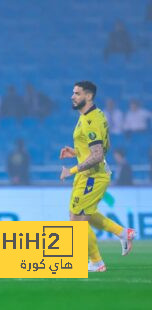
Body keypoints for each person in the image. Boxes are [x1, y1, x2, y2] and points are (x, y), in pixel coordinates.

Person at [59, 81, 135, 272]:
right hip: (89, 175)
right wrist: (76, 152)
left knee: (77, 222)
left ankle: (96, 262)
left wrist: (72, 170)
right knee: (81, 215)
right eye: (73, 93)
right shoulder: (93, 114)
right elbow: (98, 148)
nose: (72, 96)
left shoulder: (90, 121)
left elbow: (98, 154)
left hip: (92, 176)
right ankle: (123, 233)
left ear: (89, 96)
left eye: (77, 93)